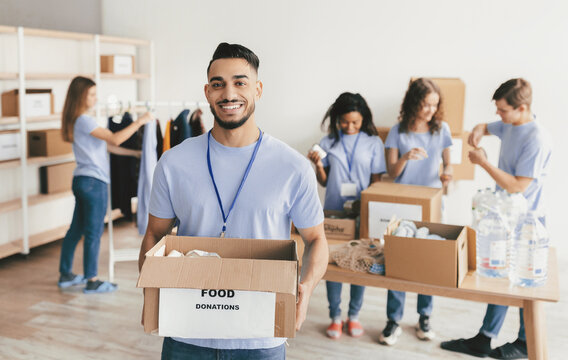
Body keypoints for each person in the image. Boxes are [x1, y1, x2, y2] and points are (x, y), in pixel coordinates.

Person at [138, 43, 328, 360]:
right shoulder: (174, 163)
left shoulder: (292, 167)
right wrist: (152, 288)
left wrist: (305, 288)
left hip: (261, 337)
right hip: (187, 333)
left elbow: (317, 238)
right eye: (218, 84)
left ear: (258, 89)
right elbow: (155, 234)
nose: (229, 94)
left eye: (240, 82)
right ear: (207, 91)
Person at [441, 78, 552, 360]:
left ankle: (525, 343)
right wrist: (478, 131)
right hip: (505, 217)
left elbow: (517, 186)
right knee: (497, 277)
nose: (497, 115)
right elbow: (488, 126)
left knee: (523, 283)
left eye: (502, 110)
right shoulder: (511, 125)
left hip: (528, 223)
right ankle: (485, 338)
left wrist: (483, 162)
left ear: (521, 107)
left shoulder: (535, 139)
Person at [58, 76, 153, 293]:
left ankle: (66, 274)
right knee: (93, 232)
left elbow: (108, 147)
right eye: (91, 94)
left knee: (75, 230)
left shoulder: (77, 120)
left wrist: (135, 153)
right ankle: (92, 280)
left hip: (82, 180)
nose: (95, 98)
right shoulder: (85, 120)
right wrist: (141, 120)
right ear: (80, 96)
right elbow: (114, 139)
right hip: (94, 182)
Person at [379, 78, 453, 346]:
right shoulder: (398, 130)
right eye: (425, 105)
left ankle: (425, 316)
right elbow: (391, 172)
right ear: (413, 104)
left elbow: (449, 166)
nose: (430, 111)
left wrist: (448, 175)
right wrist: (405, 157)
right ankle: (393, 319)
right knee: (399, 261)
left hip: (432, 203)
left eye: (435, 105)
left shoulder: (441, 129)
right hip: (404, 204)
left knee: (428, 262)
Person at [307, 92, 385, 339]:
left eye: (355, 122)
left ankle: (354, 315)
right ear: (337, 119)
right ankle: (335, 316)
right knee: (333, 264)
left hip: (360, 213)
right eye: (344, 122)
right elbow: (324, 181)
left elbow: (376, 182)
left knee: (359, 265)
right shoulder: (328, 142)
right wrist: (317, 164)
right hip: (333, 212)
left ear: (364, 120)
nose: (349, 127)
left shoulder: (373, 143)